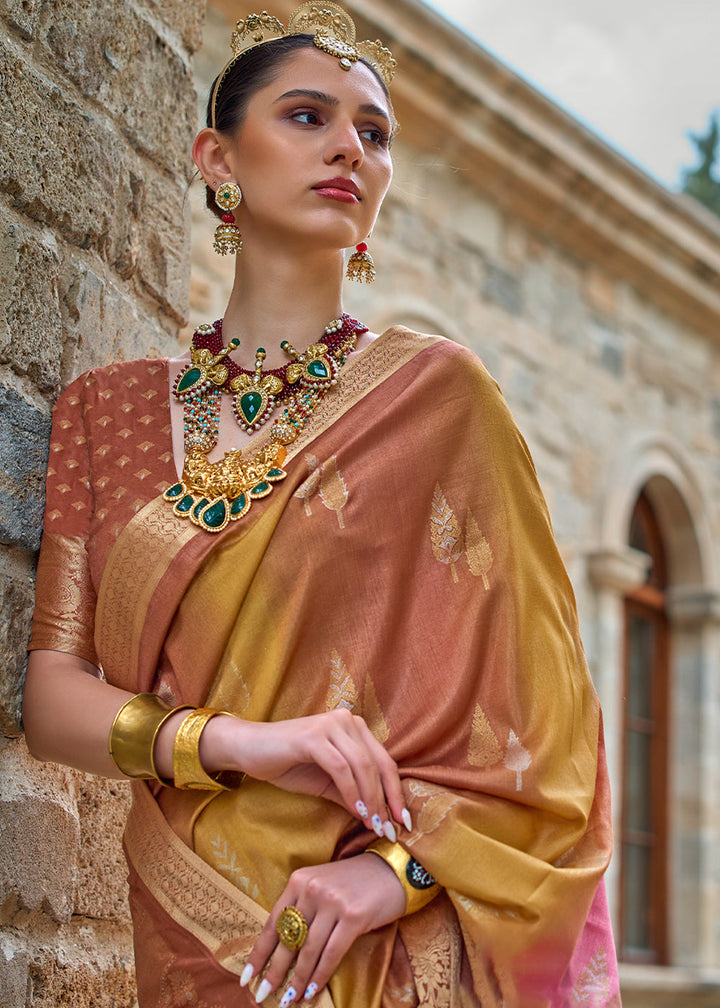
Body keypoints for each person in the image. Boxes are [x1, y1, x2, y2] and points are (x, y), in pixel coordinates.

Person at [23, 4, 621, 1006]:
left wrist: (393, 872)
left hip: (379, 941)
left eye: (374, 133)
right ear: (220, 160)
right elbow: (51, 700)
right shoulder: (109, 411)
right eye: (307, 116)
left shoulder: (441, 402)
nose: (350, 145)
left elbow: (551, 743)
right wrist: (243, 743)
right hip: (189, 927)